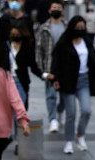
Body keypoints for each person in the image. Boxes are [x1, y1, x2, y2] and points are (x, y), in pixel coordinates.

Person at [51, 16, 95, 154]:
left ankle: (80, 135)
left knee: (86, 110)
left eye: (83, 27)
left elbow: (94, 61)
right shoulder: (64, 43)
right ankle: (69, 141)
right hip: (67, 81)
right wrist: (55, 78)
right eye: (78, 27)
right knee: (71, 113)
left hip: (83, 80)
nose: (80, 30)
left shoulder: (86, 42)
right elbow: (56, 62)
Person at [35, 0, 65, 133]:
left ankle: (60, 111)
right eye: (54, 7)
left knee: (65, 96)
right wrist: (42, 70)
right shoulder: (44, 28)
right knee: (51, 95)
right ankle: (53, 119)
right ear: (49, 10)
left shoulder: (67, 27)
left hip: (65, 68)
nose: (56, 9)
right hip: (50, 66)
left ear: (62, 10)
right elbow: (38, 49)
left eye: (58, 7)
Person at [6, 23, 44, 110]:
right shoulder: (6, 47)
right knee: (9, 107)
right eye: (12, 35)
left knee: (21, 105)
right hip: (7, 80)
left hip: (21, 80)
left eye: (17, 34)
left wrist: (43, 75)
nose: (15, 36)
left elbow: (33, 66)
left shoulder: (27, 49)